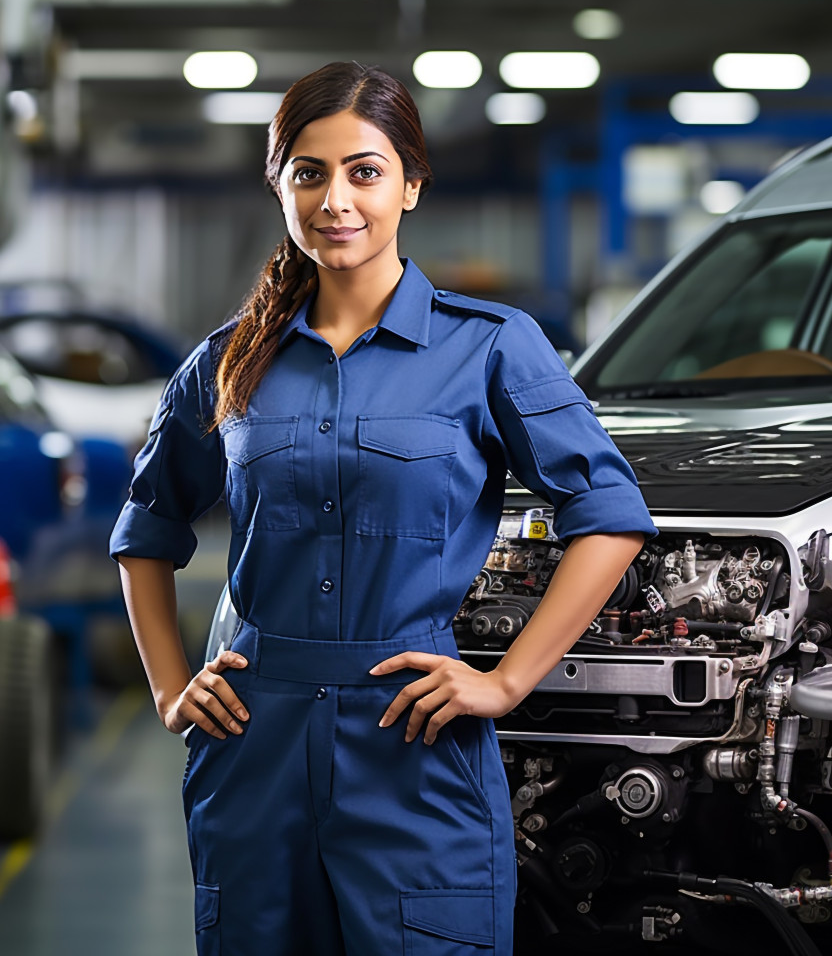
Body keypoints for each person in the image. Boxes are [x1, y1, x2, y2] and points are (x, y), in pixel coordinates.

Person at [109, 60, 658, 956]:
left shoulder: (490, 348)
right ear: (279, 185)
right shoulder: (226, 362)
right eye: (309, 172)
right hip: (255, 746)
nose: (336, 199)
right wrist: (173, 690)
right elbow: (146, 531)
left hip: (412, 744)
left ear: (411, 183)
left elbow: (608, 512)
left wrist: (506, 678)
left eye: (365, 170)